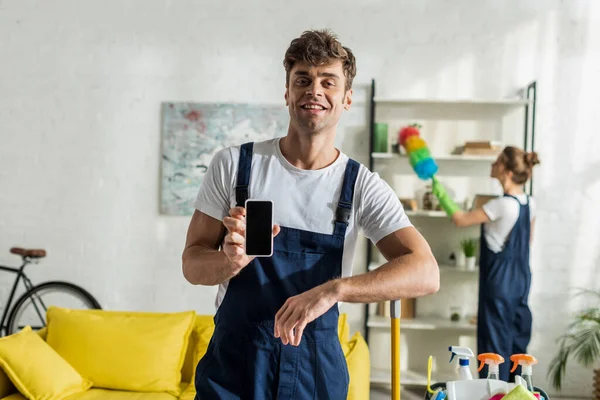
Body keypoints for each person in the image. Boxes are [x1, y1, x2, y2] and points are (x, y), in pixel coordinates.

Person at [181, 29, 439, 399]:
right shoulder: (235, 166)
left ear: (347, 99)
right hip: (234, 369)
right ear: (287, 92)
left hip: (315, 374)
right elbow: (192, 264)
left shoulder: (360, 186)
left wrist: (335, 290)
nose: (313, 90)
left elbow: (426, 272)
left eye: (327, 81)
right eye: (302, 79)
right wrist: (229, 261)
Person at [431, 146, 540, 382]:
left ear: (508, 172)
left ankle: (493, 395)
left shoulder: (501, 205)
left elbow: (460, 220)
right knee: (516, 342)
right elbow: (527, 242)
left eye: (498, 161)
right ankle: (517, 393)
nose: (493, 165)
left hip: (498, 283)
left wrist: (441, 195)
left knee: (493, 345)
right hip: (521, 279)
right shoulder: (530, 203)